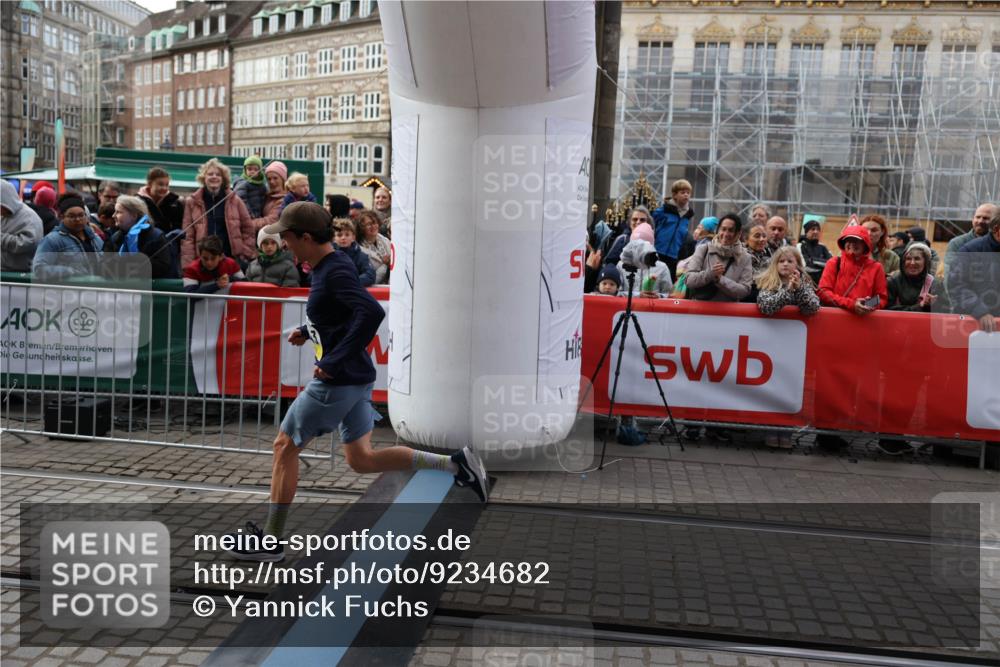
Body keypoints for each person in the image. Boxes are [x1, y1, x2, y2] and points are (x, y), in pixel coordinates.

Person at [223, 202, 489, 562]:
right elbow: (343, 314)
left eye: (286, 238)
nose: (284, 245)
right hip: (357, 377)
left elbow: (370, 312)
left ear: (305, 237)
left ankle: (270, 542)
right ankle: (456, 464)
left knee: (284, 446)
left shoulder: (333, 271)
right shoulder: (328, 267)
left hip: (338, 382)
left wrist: (332, 360)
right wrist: (309, 331)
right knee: (362, 459)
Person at [180, 158, 256, 267]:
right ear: (204, 178)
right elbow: (188, 236)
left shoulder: (235, 200)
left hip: (230, 260)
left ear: (223, 179)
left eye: (218, 174)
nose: (214, 177)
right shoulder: (192, 202)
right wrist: (188, 264)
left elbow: (248, 229)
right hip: (203, 262)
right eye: (210, 174)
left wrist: (244, 253)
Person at [31, 193, 105, 281]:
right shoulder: (52, 240)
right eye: (71, 216)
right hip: (67, 291)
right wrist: (70, 272)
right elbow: (39, 269)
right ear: (61, 217)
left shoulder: (95, 238)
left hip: (96, 290)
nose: (77, 219)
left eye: (81, 215)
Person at [816, 224, 887, 314]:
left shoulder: (876, 267)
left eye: (857, 240)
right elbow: (823, 292)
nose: (852, 243)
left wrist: (867, 304)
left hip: (864, 321)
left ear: (865, 244)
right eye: (848, 240)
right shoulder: (834, 263)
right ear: (844, 243)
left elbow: (881, 298)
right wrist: (852, 304)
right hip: (835, 319)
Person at [681, 213, 753, 302]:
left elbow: (745, 291)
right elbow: (689, 280)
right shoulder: (703, 249)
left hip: (728, 313)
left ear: (738, 234)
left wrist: (721, 280)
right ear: (717, 230)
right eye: (723, 229)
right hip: (699, 311)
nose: (726, 234)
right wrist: (710, 274)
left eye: (731, 230)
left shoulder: (745, 258)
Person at [949, 209, 1000, 333]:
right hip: (976, 326)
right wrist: (980, 311)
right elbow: (957, 286)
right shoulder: (969, 250)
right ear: (996, 229)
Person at [107, 195, 173, 279]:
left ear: (134, 216)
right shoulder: (115, 237)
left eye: (119, 212)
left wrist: (135, 258)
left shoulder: (156, 236)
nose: (113, 216)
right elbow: (104, 264)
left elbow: (162, 267)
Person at [756, 246, 820, 317]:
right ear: (775, 264)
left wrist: (800, 289)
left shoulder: (804, 282)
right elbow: (765, 307)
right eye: (781, 261)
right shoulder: (768, 282)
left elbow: (813, 308)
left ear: (797, 264)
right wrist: (788, 291)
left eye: (790, 261)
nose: (785, 264)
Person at [945, 203, 997, 289]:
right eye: (978, 217)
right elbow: (951, 281)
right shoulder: (957, 243)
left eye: (986, 218)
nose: (980, 221)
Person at [886, 242, 948, 312]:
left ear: (926, 262)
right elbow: (887, 309)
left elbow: (946, 311)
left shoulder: (936, 284)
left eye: (917, 259)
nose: (912, 263)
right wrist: (919, 306)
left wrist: (934, 304)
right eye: (908, 259)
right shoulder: (893, 281)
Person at [651, 179, 695, 279]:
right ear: (675, 195)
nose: (686, 195)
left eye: (688, 193)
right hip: (658, 251)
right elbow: (652, 224)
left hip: (673, 256)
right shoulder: (664, 211)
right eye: (682, 192)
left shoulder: (687, 216)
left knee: (668, 280)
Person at [1, 179, 43, 273]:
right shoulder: (4, 215)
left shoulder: (29, 217)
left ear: (5, 200)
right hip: (4, 270)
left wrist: (1, 238)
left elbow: (27, 243)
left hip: (20, 273)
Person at [616, 231, 673, 297]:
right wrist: (637, 295)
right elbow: (616, 293)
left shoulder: (662, 267)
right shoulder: (621, 265)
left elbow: (669, 295)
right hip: (628, 306)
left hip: (653, 306)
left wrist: (658, 296)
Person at [138, 167, 184, 233]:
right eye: (160, 184)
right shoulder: (137, 202)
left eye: (167, 185)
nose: (164, 188)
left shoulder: (175, 203)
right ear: (150, 184)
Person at [332, 218, 375, 287]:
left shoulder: (361, 256)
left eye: (347, 235)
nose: (343, 238)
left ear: (353, 238)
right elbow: (314, 275)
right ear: (334, 238)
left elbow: (370, 275)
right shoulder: (327, 256)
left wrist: (350, 282)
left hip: (353, 292)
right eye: (339, 235)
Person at [251, 161, 288, 232]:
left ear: (283, 179)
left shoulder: (285, 199)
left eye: (275, 178)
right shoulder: (268, 196)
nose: (272, 182)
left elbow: (271, 221)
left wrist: (247, 223)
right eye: (269, 179)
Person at [357, 209, 391, 284]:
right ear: (361, 228)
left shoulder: (385, 240)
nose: (373, 226)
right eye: (368, 224)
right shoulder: (359, 249)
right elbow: (372, 279)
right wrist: (385, 265)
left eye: (375, 223)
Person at [797, 219, 832, 285]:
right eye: (813, 229)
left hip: (822, 284)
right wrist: (823, 264)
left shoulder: (823, 247)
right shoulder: (800, 246)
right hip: (806, 285)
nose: (816, 231)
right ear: (806, 232)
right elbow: (805, 266)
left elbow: (832, 264)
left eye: (818, 229)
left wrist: (813, 260)